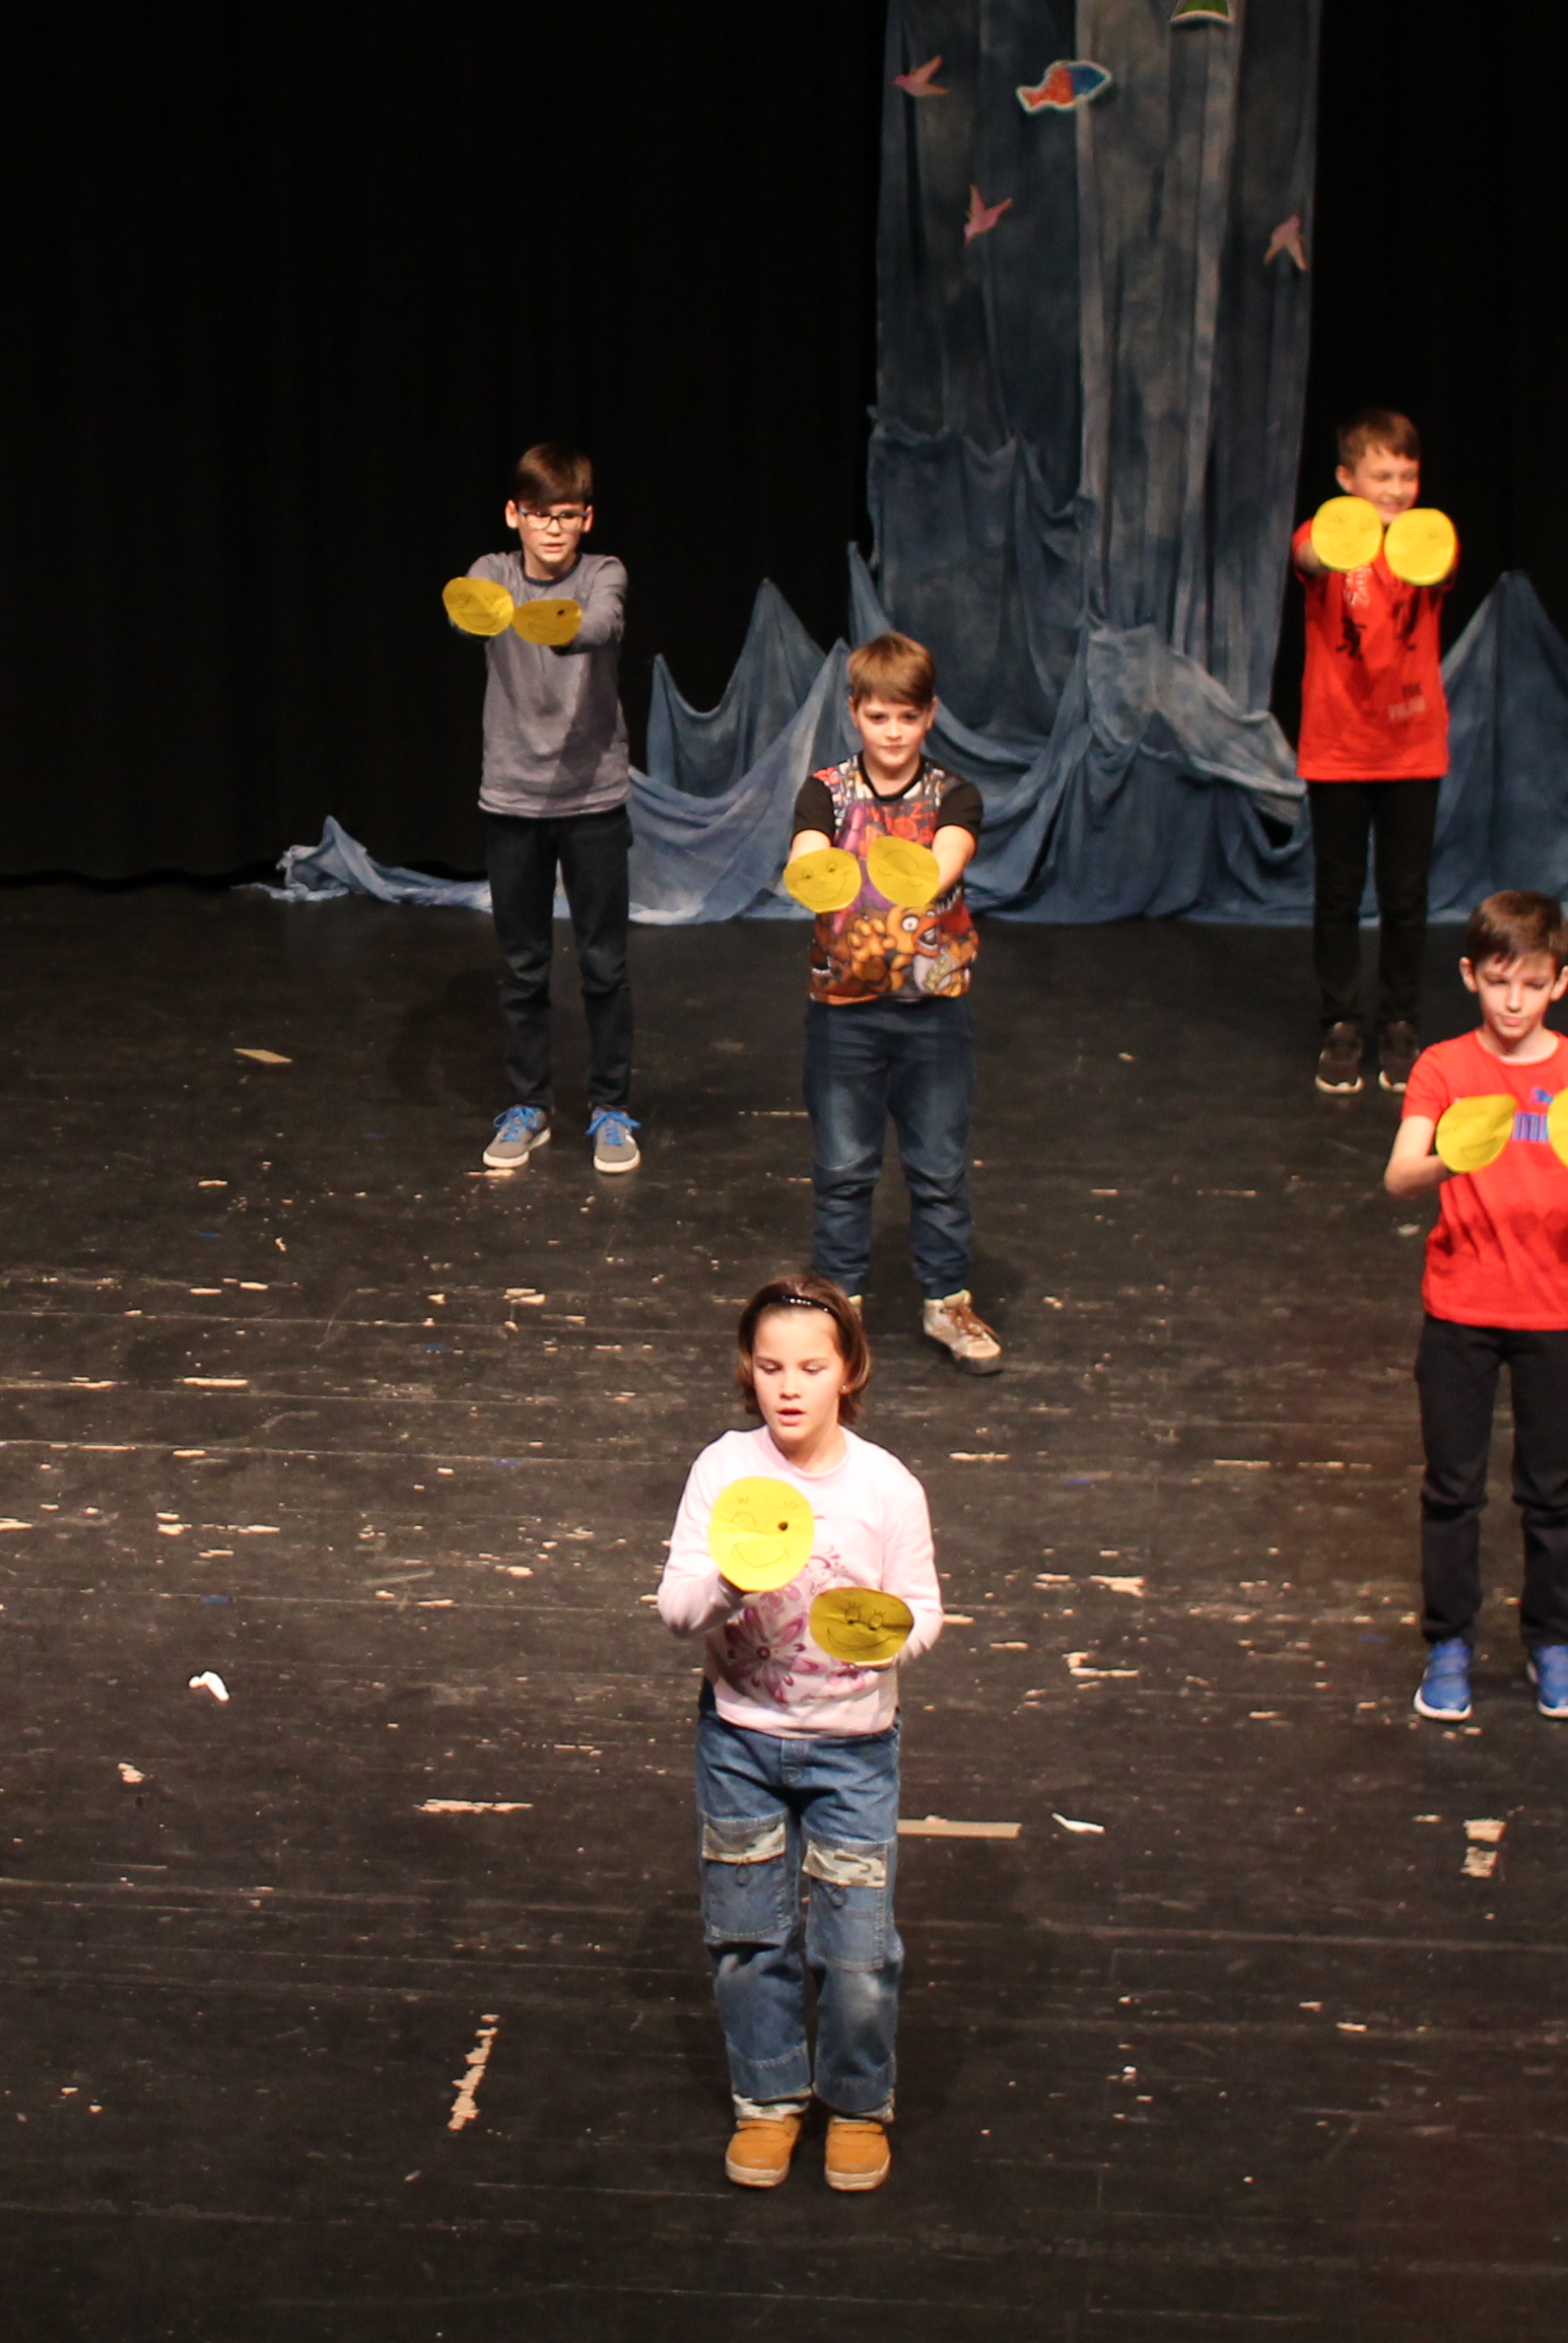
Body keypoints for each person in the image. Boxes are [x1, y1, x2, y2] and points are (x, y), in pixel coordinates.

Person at [653, 1275, 944, 2195]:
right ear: (750, 1369)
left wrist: (882, 1636)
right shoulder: (723, 1471)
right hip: (741, 1742)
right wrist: (731, 1584)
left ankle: (856, 2104)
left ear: (847, 1371)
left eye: (811, 1367)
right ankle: (768, 2098)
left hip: (853, 1748)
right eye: (772, 1366)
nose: (789, 1386)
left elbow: (924, 1610)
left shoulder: (886, 1486)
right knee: (747, 1936)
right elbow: (677, 1609)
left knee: (858, 1947)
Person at [1385, 892, 1568, 1725]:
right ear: (1471, 975)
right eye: (1499, 982)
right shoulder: (1443, 1067)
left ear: (1559, 984)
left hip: (1554, 1312)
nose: (1513, 1002)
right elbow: (1399, 1176)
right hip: (1462, 1308)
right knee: (1452, 1488)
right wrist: (1454, 1154)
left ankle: (1551, 1639)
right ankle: (1449, 1643)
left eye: (1532, 985)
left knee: (1551, 1490)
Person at [788, 632, 999, 1371]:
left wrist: (923, 874)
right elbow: (807, 852)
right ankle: (836, 1309)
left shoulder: (954, 794)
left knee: (938, 1166)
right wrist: (816, 867)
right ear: (855, 712)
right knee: (844, 1167)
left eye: (908, 718)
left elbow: (950, 854)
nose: (893, 733)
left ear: (929, 715)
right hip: (844, 1011)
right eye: (878, 717)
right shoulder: (825, 791)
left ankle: (946, 1302)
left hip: (932, 1013)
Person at [464, 443, 639, 1176]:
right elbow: (467, 610)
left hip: (593, 796)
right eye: (539, 514)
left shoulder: (603, 573)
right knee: (523, 966)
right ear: (515, 515)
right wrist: (484, 613)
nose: (554, 528)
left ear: (586, 519)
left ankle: (610, 1108)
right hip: (512, 796)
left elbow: (601, 624)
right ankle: (528, 1105)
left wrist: (547, 624)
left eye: (567, 515)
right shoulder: (492, 571)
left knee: (603, 964)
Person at [1292, 409, 1451, 1094]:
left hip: (1412, 748)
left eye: (1406, 475)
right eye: (1381, 475)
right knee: (1338, 893)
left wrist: (1410, 541)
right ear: (1346, 478)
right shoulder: (1323, 534)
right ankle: (1340, 1022)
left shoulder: (1428, 539)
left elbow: (1439, 564)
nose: (1395, 488)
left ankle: (1400, 1023)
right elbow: (1308, 556)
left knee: (1405, 896)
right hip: (1337, 749)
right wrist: (1337, 545)